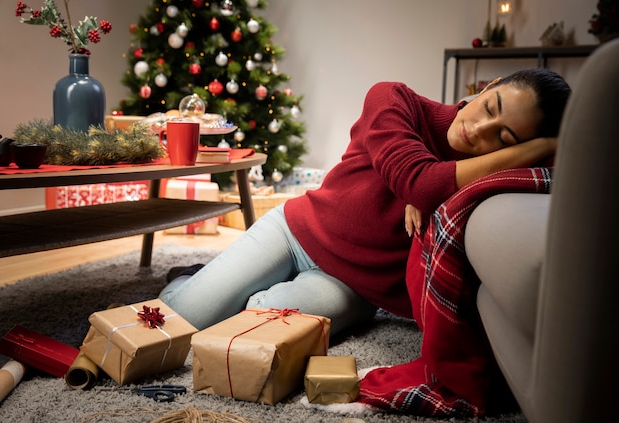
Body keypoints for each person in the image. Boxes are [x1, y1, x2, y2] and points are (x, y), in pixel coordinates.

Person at [159, 68, 571, 337]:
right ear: (487, 86)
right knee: (182, 318)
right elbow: (421, 183)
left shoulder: (485, 179)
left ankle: (234, 283)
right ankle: (191, 279)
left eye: (504, 138)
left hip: (350, 287)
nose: (480, 129)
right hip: (295, 233)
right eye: (490, 107)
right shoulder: (394, 100)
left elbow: (575, 169)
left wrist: (553, 144)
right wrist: (428, 188)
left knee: (249, 329)